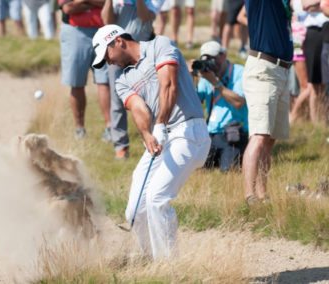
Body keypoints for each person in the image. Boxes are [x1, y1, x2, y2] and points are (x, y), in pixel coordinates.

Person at [92, 24, 211, 259]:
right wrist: (147, 134)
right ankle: (151, 260)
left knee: (157, 198)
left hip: (189, 131)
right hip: (161, 136)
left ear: (118, 41)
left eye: (106, 55)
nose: (107, 62)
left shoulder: (160, 45)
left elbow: (169, 86)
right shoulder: (122, 79)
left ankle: (169, 268)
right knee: (135, 210)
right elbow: (138, 108)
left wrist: (160, 124)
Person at [242, 0, 293, 205]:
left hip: (282, 71)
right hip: (264, 68)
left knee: (270, 138)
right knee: (259, 135)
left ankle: (263, 195)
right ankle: (249, 196)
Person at [101, 0, 164, 158]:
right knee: (117, 101)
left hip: (142, 54)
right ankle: (121, 146)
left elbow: (144, 16)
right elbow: (106, 21)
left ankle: (154, 139)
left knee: (151, 98)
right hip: (116, 53)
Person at [59, 0, 111, 140]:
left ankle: (110, 128)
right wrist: (94, 3)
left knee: (105, 82)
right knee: (76, 82)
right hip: (75, 31)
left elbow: (109, 4)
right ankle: (79, 129)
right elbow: (68, 8)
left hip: (103, 31)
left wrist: (82, 2)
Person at [195, 41, 248, 172]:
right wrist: (190, 77)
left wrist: (216, 83)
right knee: (195, 168)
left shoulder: (239, 72)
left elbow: (239, 102)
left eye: (213, 58)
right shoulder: (206, 75)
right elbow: (195, 102)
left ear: (223, 55)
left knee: (228, 170)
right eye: (207, 60)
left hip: (233, 132)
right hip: (210, 134)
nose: (211, 63)